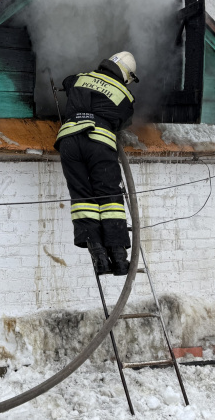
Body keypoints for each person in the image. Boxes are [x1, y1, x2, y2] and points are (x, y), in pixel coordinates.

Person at [54, 51, 138, 276]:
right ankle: (119, 259)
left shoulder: (81, 77)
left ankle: (98, 257)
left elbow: (67, 82)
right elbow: (122, 121)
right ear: (125, 75)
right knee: (109, 196)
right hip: (98, 143)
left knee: (82, 198)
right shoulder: (124, 94)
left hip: (69, 141)